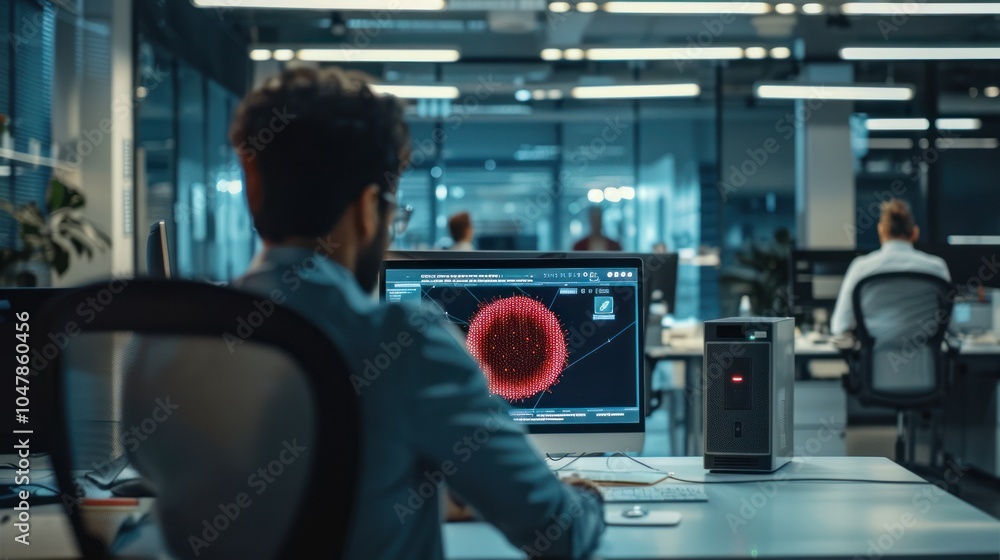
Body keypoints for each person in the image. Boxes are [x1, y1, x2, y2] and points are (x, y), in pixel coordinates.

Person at [227, 68, 605, 559]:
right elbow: (558, 534)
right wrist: (587, 499)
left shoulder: (164, 347)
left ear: (252, 185)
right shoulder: (403, 343)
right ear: (368, 208)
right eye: (393, 214)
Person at [830, 198, 951, 336]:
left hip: (875, 356)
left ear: (881, 231)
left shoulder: (861, 268)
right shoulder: (937, 268)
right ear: (915, 232)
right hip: (926, 356)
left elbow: (840, 326)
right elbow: (949, 324)